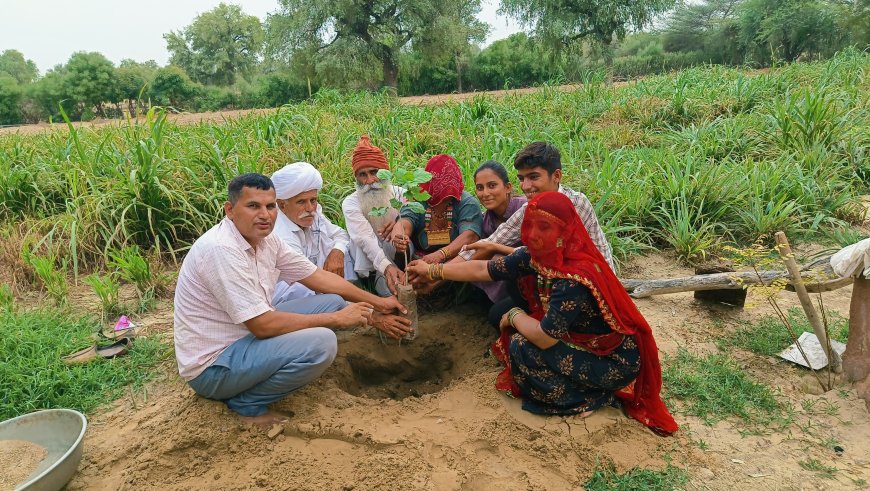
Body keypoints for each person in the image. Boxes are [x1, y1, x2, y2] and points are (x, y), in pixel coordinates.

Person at [405, 192, 678, 435]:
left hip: (612, 360)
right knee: (520, 342)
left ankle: (594, 396)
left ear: (564, 230)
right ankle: (583, 388)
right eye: (530, 225)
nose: (534, 234)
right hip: (581, 340)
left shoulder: (573, 279)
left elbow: (546, 339)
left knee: (524, 346)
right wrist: (433, 270)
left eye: (544, 227)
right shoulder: (540, 254)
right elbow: (484, 269)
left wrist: (513, 315)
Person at [174, 173, 412, 426]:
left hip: (244, 339)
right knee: (322, 343)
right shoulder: (222, 250)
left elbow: (318, 278)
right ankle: (247, 403)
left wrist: (379, 302)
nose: (264, 214)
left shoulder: (266, 240)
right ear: (230, 210)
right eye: (253, 206)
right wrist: (338, 320)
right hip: (215, 366)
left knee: (331, 299)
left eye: (269, 206)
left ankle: (258, 381)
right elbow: (262, 326)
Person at [271, 162, 352, 304]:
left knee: (349, 248)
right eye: (301, 202)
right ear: (282, 205)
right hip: (291, 295)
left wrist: (337, 252)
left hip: (319, 280)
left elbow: (341, 234)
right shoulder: (280, 233)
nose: (310, 208)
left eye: (313, 200)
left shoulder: (312, 214)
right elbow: (310, 278)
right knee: (329, 300)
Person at [389, 154, 483, 265]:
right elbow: (404, 222)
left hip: (455, 263)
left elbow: (470, 236)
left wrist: (441, 254)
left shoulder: (467, 203)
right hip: (417, 262)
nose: (444, 200)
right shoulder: (418, 200)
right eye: (440, 196)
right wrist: (400, 238)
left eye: (448, 197)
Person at [342, 135, 406, 297]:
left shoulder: (401, 194)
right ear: (356, 178)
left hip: (401, 254)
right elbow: (365, 237)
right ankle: (375, 281)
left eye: (374, 172)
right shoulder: (350, 203)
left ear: (385, 172)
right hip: (372, 262)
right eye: (362, 175)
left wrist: (400, 223)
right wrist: (386, 267)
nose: (370, 181)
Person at [471, 160, 526, 304]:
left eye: (492, 186)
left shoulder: (524, 208)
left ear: (508, 187)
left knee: (496, 258)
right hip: (506, 276)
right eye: (480, 188)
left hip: (530, 273)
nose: (485, 193)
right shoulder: (485, 220)